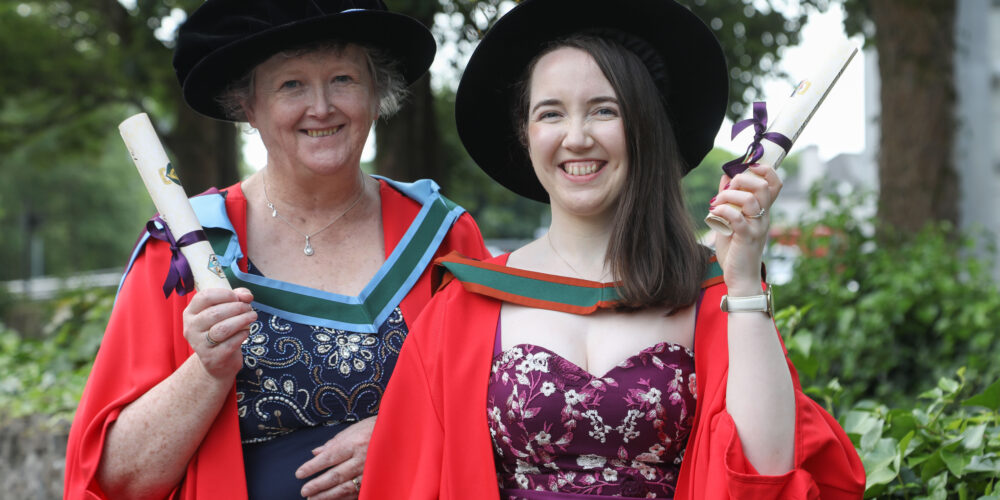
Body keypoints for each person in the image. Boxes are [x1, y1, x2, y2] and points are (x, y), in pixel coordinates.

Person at [360, 0, 866, 498]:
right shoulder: (466, 306)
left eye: (604, 110)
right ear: (526, 133)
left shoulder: (711, 294)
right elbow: (406, 481)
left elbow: (766, 473)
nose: (576, 137)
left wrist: (744, 282)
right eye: (550, 113)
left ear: (644, 127)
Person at [63, 1, 490, 499]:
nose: (322, 106)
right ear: (248, 105)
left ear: (377, 92)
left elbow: (507, 413)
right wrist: (206, 369)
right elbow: (118, 480)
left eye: (344, 79)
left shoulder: (442, 237)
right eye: (291, 84)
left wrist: (406, 433)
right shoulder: (183, 253)